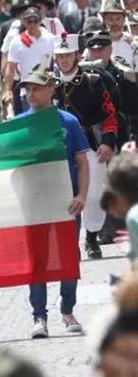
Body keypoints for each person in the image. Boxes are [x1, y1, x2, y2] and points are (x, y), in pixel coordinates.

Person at [16, 63, 89, 339]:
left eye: (36, 88)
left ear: (51, 88)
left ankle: (68, 309)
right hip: (35, 203)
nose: (31, 94)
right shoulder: (21, 124)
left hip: (66, 203)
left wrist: (81, 195)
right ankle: (39, 316)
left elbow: (82, 162)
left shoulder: (68, 122)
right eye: (28, 89)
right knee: (38, 260)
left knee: (69, 256)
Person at [51, 32, 119, 259]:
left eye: (68, 56)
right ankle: (70, 242)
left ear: (77, 56)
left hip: (89, 146)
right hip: (58, 149)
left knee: (93, 195)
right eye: (60, 56)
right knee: (61, 197)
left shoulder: (93, 81)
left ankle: (91, 236)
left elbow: (109, 115)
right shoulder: (47, 83)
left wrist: (108, 143)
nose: (64, 61)